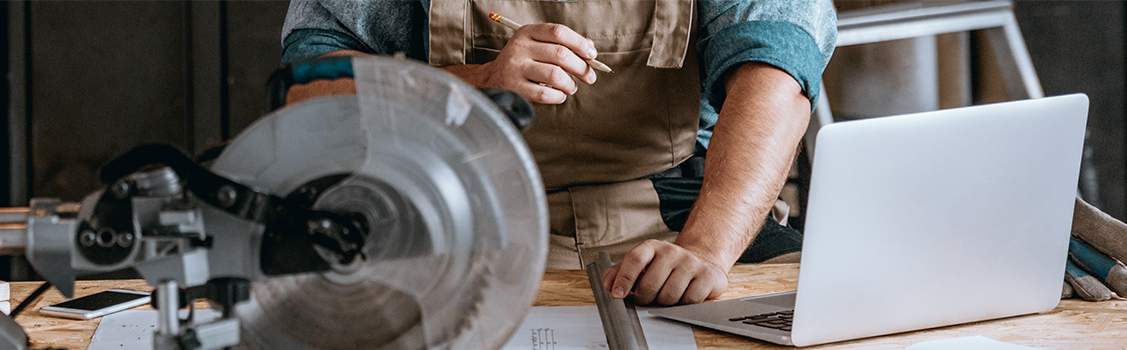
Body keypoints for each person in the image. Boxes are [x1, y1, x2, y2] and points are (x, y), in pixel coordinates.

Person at [279, 0, 836, 306]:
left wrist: (708, 250)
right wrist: (476, 81)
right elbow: (305, 92)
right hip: (458, 214)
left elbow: (777, 78)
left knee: (827, 317)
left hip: (678, 215)